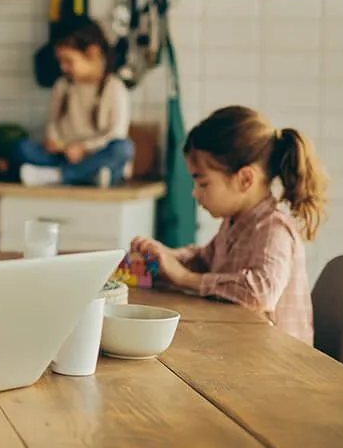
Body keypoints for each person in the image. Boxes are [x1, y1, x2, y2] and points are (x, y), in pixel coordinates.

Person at [132, 105, 328, 344]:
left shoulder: (273, 229)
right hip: (241, 346)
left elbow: (259, 293)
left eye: (203, 184)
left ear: (245, 179)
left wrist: (184, 277)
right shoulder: (235, 222)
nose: (195, 193)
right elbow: (205, 259)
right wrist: (166, 256)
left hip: (277, 359)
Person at [13, 16, 134, 187]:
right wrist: (54, 141)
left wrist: (84, 148)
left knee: (123, 148)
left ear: (92, 53)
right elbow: (53, 123)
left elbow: (116, 133)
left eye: (69, 61)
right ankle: (85, 176)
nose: (63, 68)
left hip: (95, 155)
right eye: (61, 62)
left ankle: (58, 176)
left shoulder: (115, 88)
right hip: (64, 156)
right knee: (22, 148)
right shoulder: (62, 86)